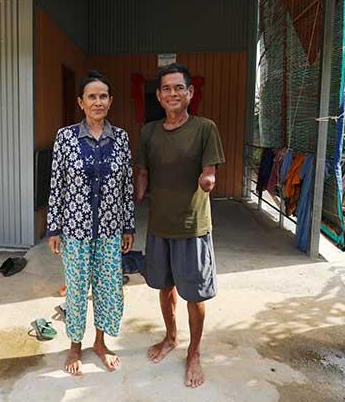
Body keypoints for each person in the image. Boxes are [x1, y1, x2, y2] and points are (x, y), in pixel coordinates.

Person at [135, 63, 225, 388]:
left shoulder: (204, 128)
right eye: (166, 89)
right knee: (163, 288)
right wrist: (131, 197)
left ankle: (194, 352)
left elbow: (210, 171)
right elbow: (143, 175)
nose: (173, 93)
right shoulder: (148, 131)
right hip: (159, 226)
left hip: (192, 226)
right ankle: (171, 337)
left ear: (190, 93)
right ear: (159, 97)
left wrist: (208, 179)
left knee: (195, 294)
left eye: (179, 88)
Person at [46, 70, 136, 376]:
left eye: (103, 96)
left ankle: (99, 342)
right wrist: (54, 228)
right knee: (76, 287)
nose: (98, 102)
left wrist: (128, 226)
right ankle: (74, 344)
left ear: (110, 102)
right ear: (81, 102)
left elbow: (127, 187)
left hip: (110, 230)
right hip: (75, 230)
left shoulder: (121, 138)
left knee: (108, 287)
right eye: (91, 97)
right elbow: (56, 184)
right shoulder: (65, 137)